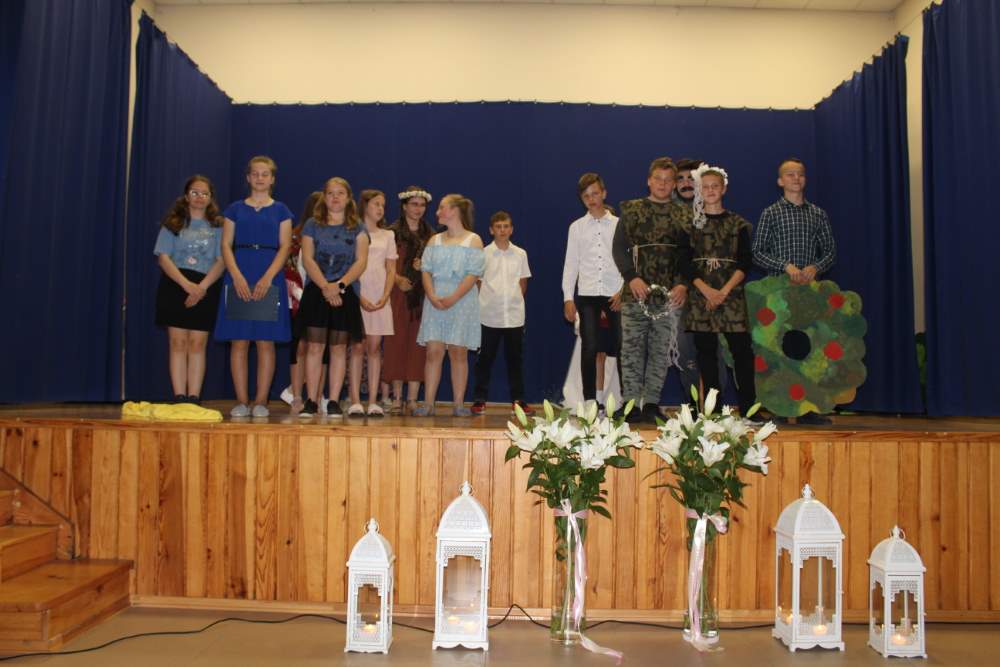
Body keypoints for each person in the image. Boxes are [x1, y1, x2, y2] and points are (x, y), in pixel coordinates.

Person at [752, 157, 836, 425]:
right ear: (780, 181)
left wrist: (815, 266)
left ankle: (807, 408)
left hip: (809, 292)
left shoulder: (818, 214)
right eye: (790, 174)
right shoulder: (771, 213)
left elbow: (830, 251)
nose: (796, 178)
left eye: (800, 174)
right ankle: (781, 405)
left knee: (809, 347)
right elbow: (757, 252)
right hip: (778, 292)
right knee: (779, 348)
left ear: (805, 179)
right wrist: (785, 266)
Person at [612, 157, 693, 424]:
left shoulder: (684, 214)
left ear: (674, 184)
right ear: (649, 180)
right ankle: (630, 405)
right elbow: (619, 248)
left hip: (668, 296)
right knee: (631, 350)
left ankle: (651, 404)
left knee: (660, 351)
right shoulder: (632, 209)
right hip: (636, 293)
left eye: (668, 180)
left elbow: (689, 253)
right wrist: (631, 277)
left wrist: (682, 283)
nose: (663, 184)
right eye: (658, 178)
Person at [214, 156, 292, 419]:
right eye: (255, 174)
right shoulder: (234, 209)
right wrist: (235, 275)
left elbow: (285, 246)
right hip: (239, 274)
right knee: (239, 341)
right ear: (248, 177)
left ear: (272, 179)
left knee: (265, 342)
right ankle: (241, 400)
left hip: (269, 276)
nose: (260, 178)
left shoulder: (281, 210)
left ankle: (261, 401)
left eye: (265, 174)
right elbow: (226, 245)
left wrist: (268, 277)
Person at [685, 164, 756, 417]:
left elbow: (745, 262)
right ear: (699, 190)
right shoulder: (690, 225)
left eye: (715, 186)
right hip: (701, 297)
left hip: (731, 295)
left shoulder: (739, 224)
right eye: (705, 187)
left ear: (724, 189)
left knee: (742, 352)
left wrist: (723, 292)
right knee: (706, 354)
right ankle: (712, 411)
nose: (710, 190)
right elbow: (684, 263)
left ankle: (749, 409)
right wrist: (707, 291)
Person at [298, 177, 369, 419]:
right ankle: (311, 400)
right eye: (330, 193)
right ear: (324, 197)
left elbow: (361, 261)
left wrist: (339, 285)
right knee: (315, 347)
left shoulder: (358, 227)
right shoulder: (312, 224)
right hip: (317, 290)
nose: (335, 197)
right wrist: (325, 287)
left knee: (339, 348)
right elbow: (308, 259)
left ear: (348, 198)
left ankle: (334, 401)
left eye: (340, 193)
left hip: (344, 291)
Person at [153, 175, 225, 404]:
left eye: (204, 193)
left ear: (210, 198)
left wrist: (201, 288)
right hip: (176, 285)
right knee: (178, 343)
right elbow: (164, 258)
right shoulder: (173, 223)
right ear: (186, 196)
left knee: (197, 344)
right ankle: (179, 396)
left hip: (206, 286)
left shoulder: (218, 226)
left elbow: (222, 260)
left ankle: (194, 396)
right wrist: (186, 285)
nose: (199, 197)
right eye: (195, 192)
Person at [413, 194, 485, 417]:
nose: (437, 212)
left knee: (458, 352)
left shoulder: (473, 240)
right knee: (433, 352)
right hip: (435, 300)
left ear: (455, 211)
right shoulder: (434, 240)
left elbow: (473, 274)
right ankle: (428, 404)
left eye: (442, 207)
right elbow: (426, 270)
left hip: (461, 301)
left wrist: (453, 297)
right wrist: (431, 294)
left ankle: (458, 404)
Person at [561, 173, 622, 409]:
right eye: (586, 196)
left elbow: (628, 262)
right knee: (590, 346)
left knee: (621, 347)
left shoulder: (619, 225)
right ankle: (590, 401)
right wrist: (568, 298)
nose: (592, 199)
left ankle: (625, 402)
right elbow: (571, 264)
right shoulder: (576, 228)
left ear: (604, 193)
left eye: (595, 193)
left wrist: (623, 291)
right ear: (582, 199)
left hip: (615, 294)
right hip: (587, 295)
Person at [675, 158, 726, 405]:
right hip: (677, 296)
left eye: (690, 178)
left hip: (711, 295)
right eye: (680, 179)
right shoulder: (670, 213)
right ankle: (692, 409)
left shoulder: (714, 212)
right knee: (686, 354)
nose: (686, 183)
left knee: (716, 352)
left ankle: (717, 409)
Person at [471, 211, 532, 416]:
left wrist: (513, 300)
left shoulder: (520, 254)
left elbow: (523, 282)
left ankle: (518, 400)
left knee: (515, 360)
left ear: (511, 229)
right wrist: (488, 302)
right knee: (484, 360)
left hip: (514, 316)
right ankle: (480, 399)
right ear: (491, 230)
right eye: (498, 227)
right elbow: (478, 283)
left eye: (506, 226)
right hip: (488, 315)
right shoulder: (483, 254)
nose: (502, 230)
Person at [383, 187, 435, 415]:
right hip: (396, 293)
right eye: (414, 204)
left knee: (418, 345)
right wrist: (397, 279)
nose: (418, 209)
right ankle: (397, 397)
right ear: (404, 206)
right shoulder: (391, 233)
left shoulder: (431, 235)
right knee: (396, 342)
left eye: (422, 205)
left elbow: (437, 267)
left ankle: (412, 398)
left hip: (421, 295)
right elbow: (382, 263)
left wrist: (425, 267)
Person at [281, 191, 326, 414]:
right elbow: (289, 268)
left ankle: (316, 395)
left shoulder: (332, 235)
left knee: (320, 349)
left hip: (323, 297)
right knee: (299, 347)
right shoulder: (296, 236)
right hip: (297, 298)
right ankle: (296, 394)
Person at [354, 189, 397, 417]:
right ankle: (354, 400)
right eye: (376, 204)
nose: (380, 209)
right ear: (365, 206)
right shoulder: (353, 231)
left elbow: (391, 269)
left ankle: (372, 401)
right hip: (357, 292)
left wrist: (385, 295)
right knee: (356, 347)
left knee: (374, 348)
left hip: (379, 295)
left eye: (382, 205)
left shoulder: (388, 235)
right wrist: (359, 296)